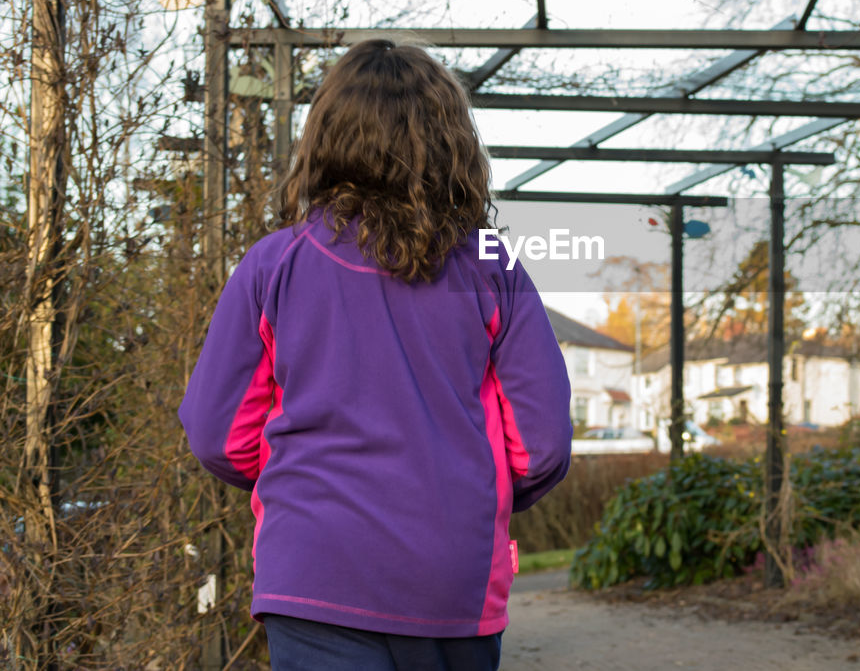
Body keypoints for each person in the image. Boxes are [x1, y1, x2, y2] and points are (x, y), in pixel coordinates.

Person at [179, 39, 573, 670]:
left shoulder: (272, 265)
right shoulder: (494, 265)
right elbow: (541, 443)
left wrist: (303, 483)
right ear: (452, 142)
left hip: (311, 569)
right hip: (452, 574)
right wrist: (475, 492)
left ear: (327, 139)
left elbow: (218, 435)